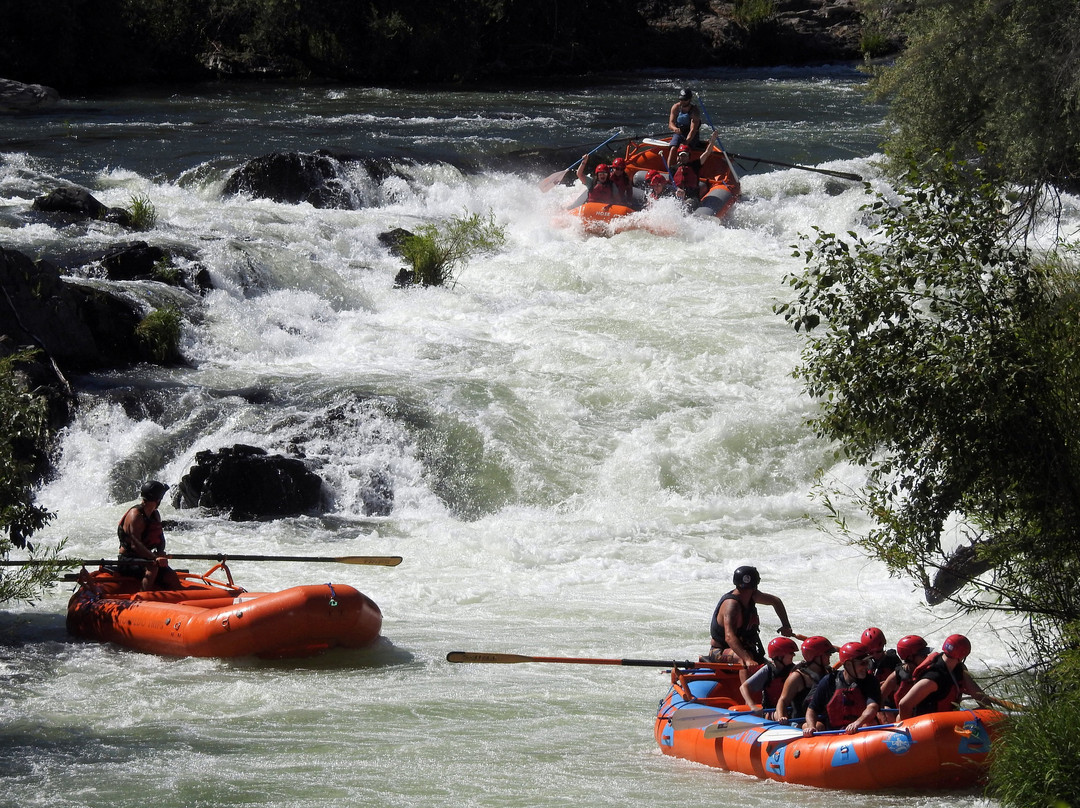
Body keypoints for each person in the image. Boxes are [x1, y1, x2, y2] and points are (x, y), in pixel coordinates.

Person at [704, 565, 795, 678]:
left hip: (748, 650)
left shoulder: (753, 596)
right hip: (720, 651)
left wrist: (786, 625)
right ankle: (747, 693)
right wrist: (748, 659)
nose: (746, 592)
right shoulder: (731, 605)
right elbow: (729, 636)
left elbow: (776, 601)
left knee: (776, 670)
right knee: (742, 661)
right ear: (756, 584)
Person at [898, 634, 992, 719]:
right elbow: (904, 705)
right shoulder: (933, 678)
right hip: (926, 724)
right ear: (963, 655)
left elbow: (984, 703)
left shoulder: (960, 669)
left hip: (946, 722)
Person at [803, 641, 883, 736]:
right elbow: (812, 709)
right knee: (813, 725)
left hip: (859, 730)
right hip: (834, 734)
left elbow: (872, 707)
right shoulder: (829, 681)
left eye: (867, 663)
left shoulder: (870, 681)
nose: (866, 667)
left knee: (869, 723)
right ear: (848, 664)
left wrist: (857, 723)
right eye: (862, 663)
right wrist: (811, 726)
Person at [117, 480, 181, 591]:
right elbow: (135, 545)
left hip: (145, 558)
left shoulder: (155, 514)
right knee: (153, 568)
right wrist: (154, 557)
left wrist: (160, 552)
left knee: (171, 576)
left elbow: (160, 538)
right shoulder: (135, 515)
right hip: (128, 559)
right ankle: (142, 597)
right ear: (158, 500)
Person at [773, 635, 834, 724]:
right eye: (827, 654)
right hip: (801, 723)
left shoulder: (829, 672)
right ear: (815, 656)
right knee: (819, 726)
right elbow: (783, 700)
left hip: (825, 719)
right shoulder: (797, 677)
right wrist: (781, 717)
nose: (830, 656)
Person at [739, 636, 799, 719]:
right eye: (791, 653)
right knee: (780, 714)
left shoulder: (795, 670)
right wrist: (752, 705)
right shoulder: (768, 670)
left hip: (791, 709)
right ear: (779, 656)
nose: (794, 655)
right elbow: (744, 687)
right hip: (771, 710)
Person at [880, 634, 930, 710]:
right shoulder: (897, 675)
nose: (926, 657)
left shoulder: (932, 671)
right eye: (922, 655)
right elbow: (878, 698)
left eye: (926, 654)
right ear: (910, 658)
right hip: (905, 718)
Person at [671, 134, 718, 209]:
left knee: (687, 206)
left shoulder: (695, 165)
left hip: (692, 198)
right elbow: (671, 184)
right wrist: (677, 190)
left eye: (685, 155)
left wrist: (712, 141)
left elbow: (706, 154)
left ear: (688, 156)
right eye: (681, 155)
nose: (683, 158)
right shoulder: (673, 168)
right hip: (678, 197)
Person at [667, 88, 703, 167]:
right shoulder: (676, 107)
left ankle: (685, 168)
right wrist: (675, 129)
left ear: (689, 99)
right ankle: (670, 171)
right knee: (673, 148)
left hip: (691, 135)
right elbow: (671, 123)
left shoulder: (694, 111)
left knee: (684, 150)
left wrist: (686, 142)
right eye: (681, 99)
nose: (682, 102)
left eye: (685, 100)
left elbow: (693, 130)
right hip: (679, 133)